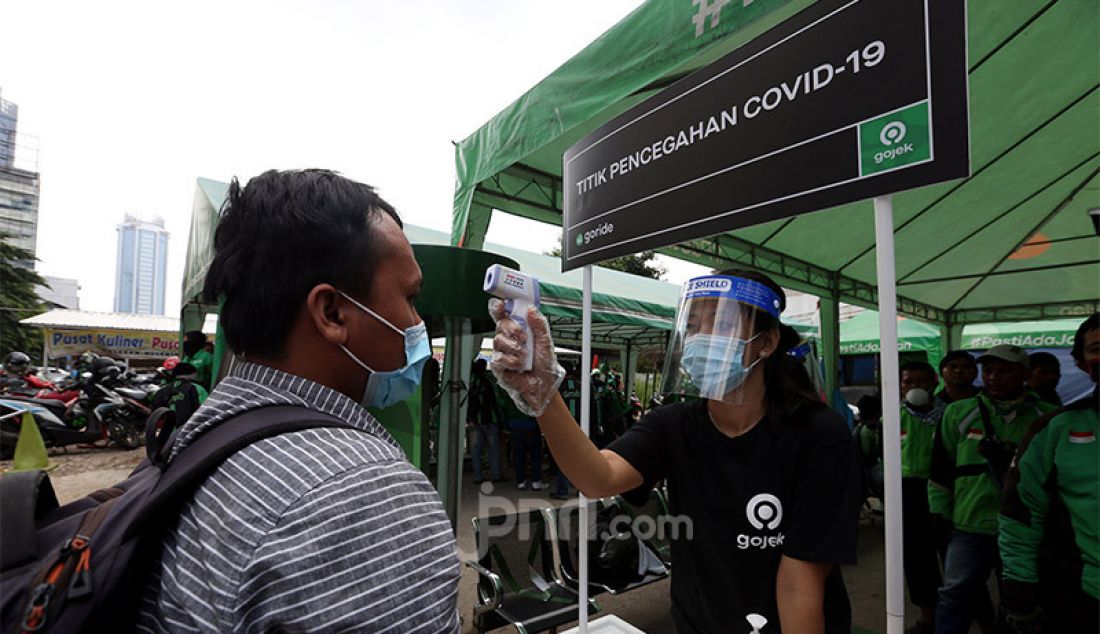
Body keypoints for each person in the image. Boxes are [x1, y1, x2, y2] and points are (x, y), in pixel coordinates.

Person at [137, 169, 460, 632]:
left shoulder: (197, 433)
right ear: (331, 313)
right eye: (410, 299)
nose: (416, 324)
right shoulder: (365, 495)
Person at [490, 269, 862, 633]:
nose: (702, 338)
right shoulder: (675, 424)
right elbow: (597, 477)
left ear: (766, 343)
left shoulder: (817, 434)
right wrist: (543, 395)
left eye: (721, 323)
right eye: (695, 325)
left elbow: (799, 586)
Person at [927, 344, 1056, 634]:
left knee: (1021, 598)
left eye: (1004, 371)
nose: (994, 377)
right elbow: (940, 468)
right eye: (989, 370)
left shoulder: (1047, 416)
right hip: (969, 524)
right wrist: (939, 512)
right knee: (954, 593)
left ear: (1024, 374)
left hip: (1024, 527)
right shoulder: (958, 412)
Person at [999, 313, 1099, 633]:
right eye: (1097, 347)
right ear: (1083, 364)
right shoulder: (1055, 428)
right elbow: (1020, 513)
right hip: (1082, 596)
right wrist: (1019, 592)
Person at [897, 361, 948, 634]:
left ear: (934, 383)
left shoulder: (949, 415)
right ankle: (928, 616)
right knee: (917, 557)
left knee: (951, 553)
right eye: (908, 381)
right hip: (907, 492)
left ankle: (960, 613)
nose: (914, 386)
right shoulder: (891, 417)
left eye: (921, 381)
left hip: (944, 489)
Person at [467, 358, 503, 483]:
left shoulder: (470, 382)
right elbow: (497, 401)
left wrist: (470, 417)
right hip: (491, 420)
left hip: (476, 421)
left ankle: (478, 476)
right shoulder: (489, 381)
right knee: (493, 450)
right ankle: (495, 475)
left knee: (476, 451)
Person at [550, 361, 582, 499]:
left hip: (563, 429)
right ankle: (581, 489)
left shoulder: (557, 387)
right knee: (580, 460)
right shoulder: (581, 386)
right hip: (580, 428)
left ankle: (562, 490)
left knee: (564, 461)